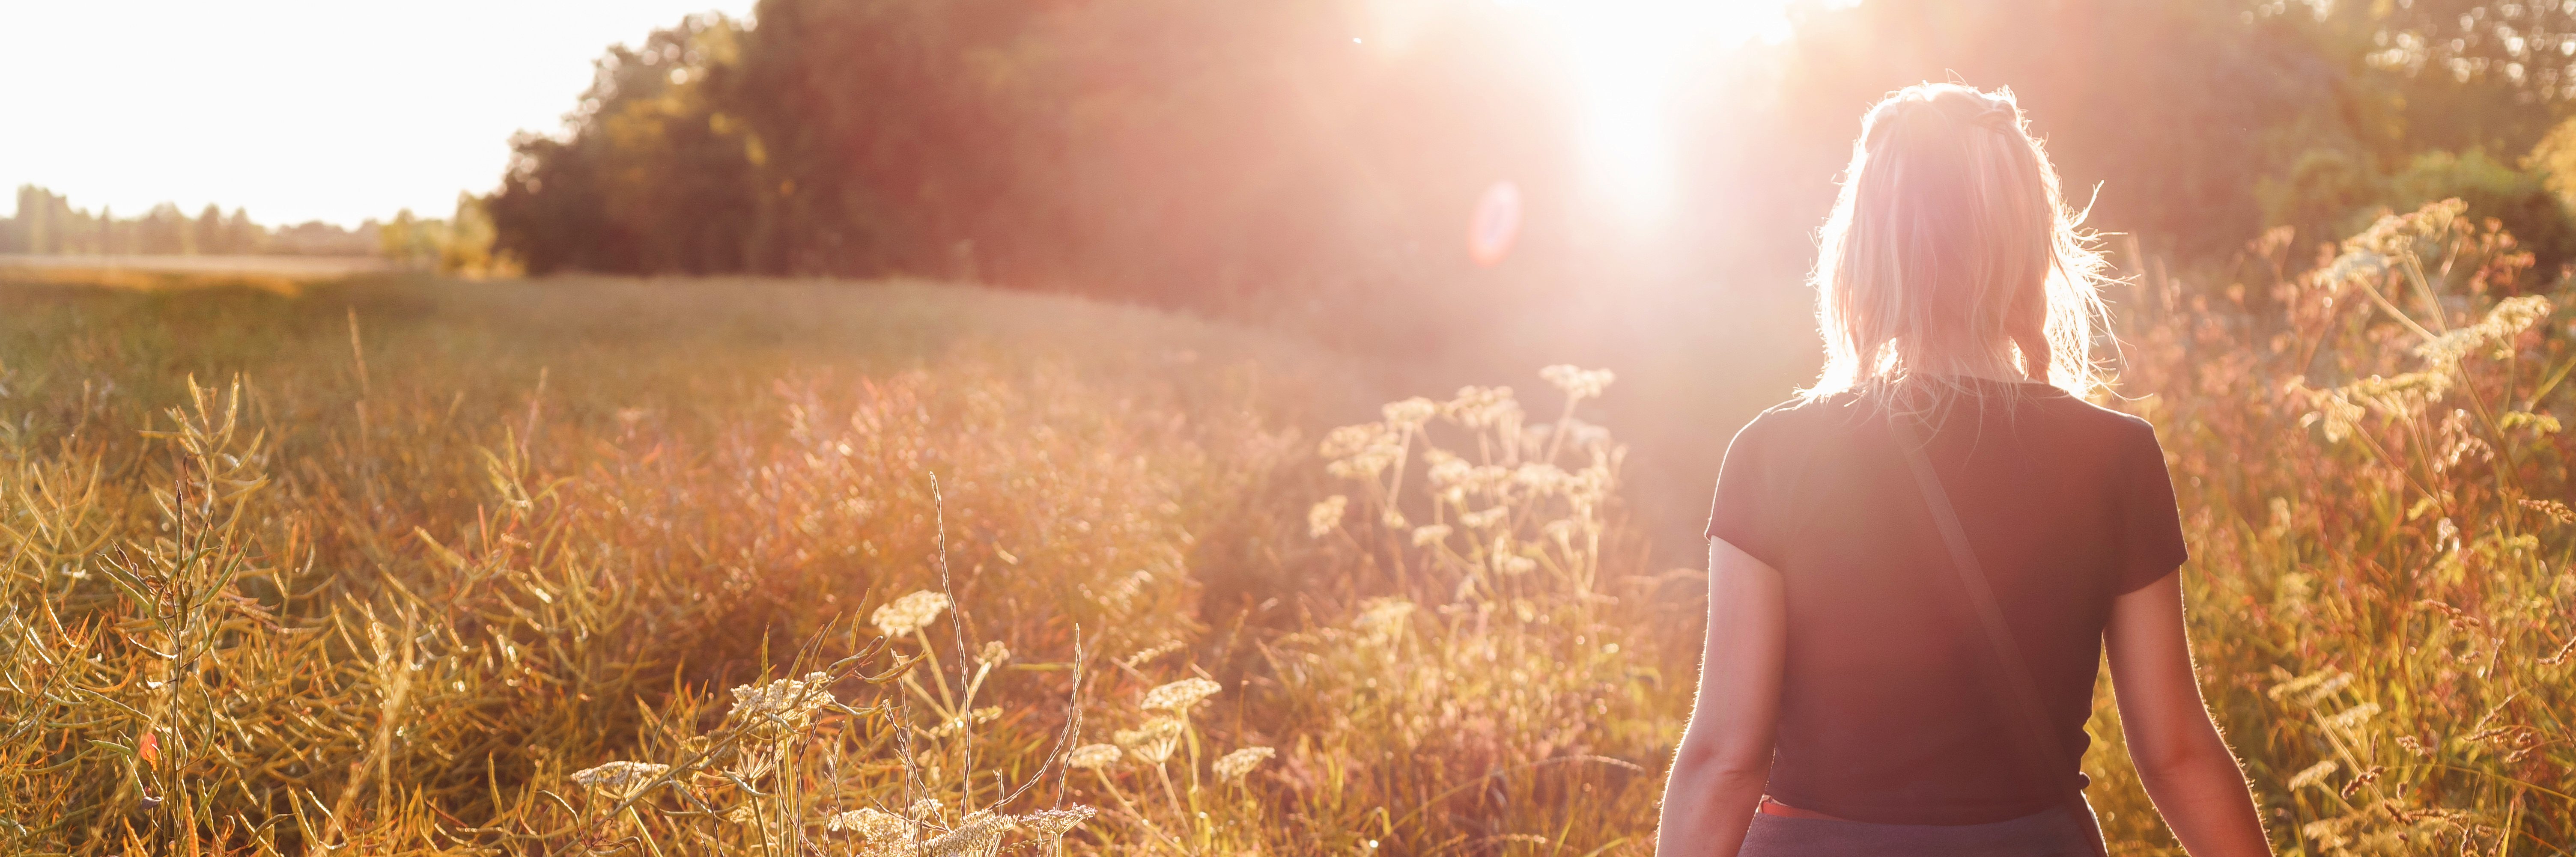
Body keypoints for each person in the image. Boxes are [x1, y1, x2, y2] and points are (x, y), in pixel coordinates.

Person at [1653, 83, 2274, 857]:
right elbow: (2176, 751)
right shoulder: (2115, 456)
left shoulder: (1773, 457)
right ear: (2026, 241)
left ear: (1859, 251)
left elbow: (1723, 760)